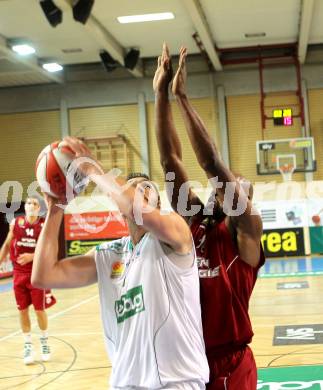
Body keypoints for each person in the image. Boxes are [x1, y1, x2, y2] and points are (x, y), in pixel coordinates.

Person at [32, 136, 209, 390]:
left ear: (158, 203)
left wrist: (93, 169)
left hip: (176, 381)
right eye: (132, 186)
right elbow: (44, 275)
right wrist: (56, 208)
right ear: (118, 208)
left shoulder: (176, 234)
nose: (139, 190)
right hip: (125, 383)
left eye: (146, 187)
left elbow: (136, 208)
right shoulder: (108, 255)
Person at [154, 44, 265, 389]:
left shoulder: (247, 232)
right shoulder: (195, 222)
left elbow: (211, 165)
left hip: (231, 361)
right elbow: (170, 161)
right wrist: (160, 95)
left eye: (239, 187)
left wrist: (182, 98)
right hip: (187, 358)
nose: (233, 186)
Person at [0, 197, 56, 365]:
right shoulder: (16, 223)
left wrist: (33, 256)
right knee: (22, 310)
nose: (31, 205)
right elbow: (7, 244)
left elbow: (50, 250)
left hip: (37, 274)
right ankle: (28, 345)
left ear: (39, 208)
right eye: (29, 203)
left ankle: (45, 342)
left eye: (35, 203)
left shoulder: (43, 226)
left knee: (39, 310)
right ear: (24, 206)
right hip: (19, 274)